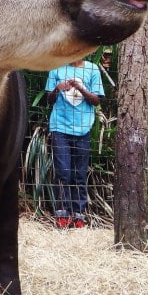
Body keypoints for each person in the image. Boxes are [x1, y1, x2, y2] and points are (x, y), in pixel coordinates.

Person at [45, 59, 104, 228]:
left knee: (79, 174)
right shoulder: (56, 67)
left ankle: (79, 215)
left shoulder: (92, 70)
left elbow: (96, 100)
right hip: (60, 127)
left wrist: (80, 88)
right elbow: (50, 99)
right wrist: (58, 88)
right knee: (63, 172)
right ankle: (62, 214)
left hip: (83, 129)